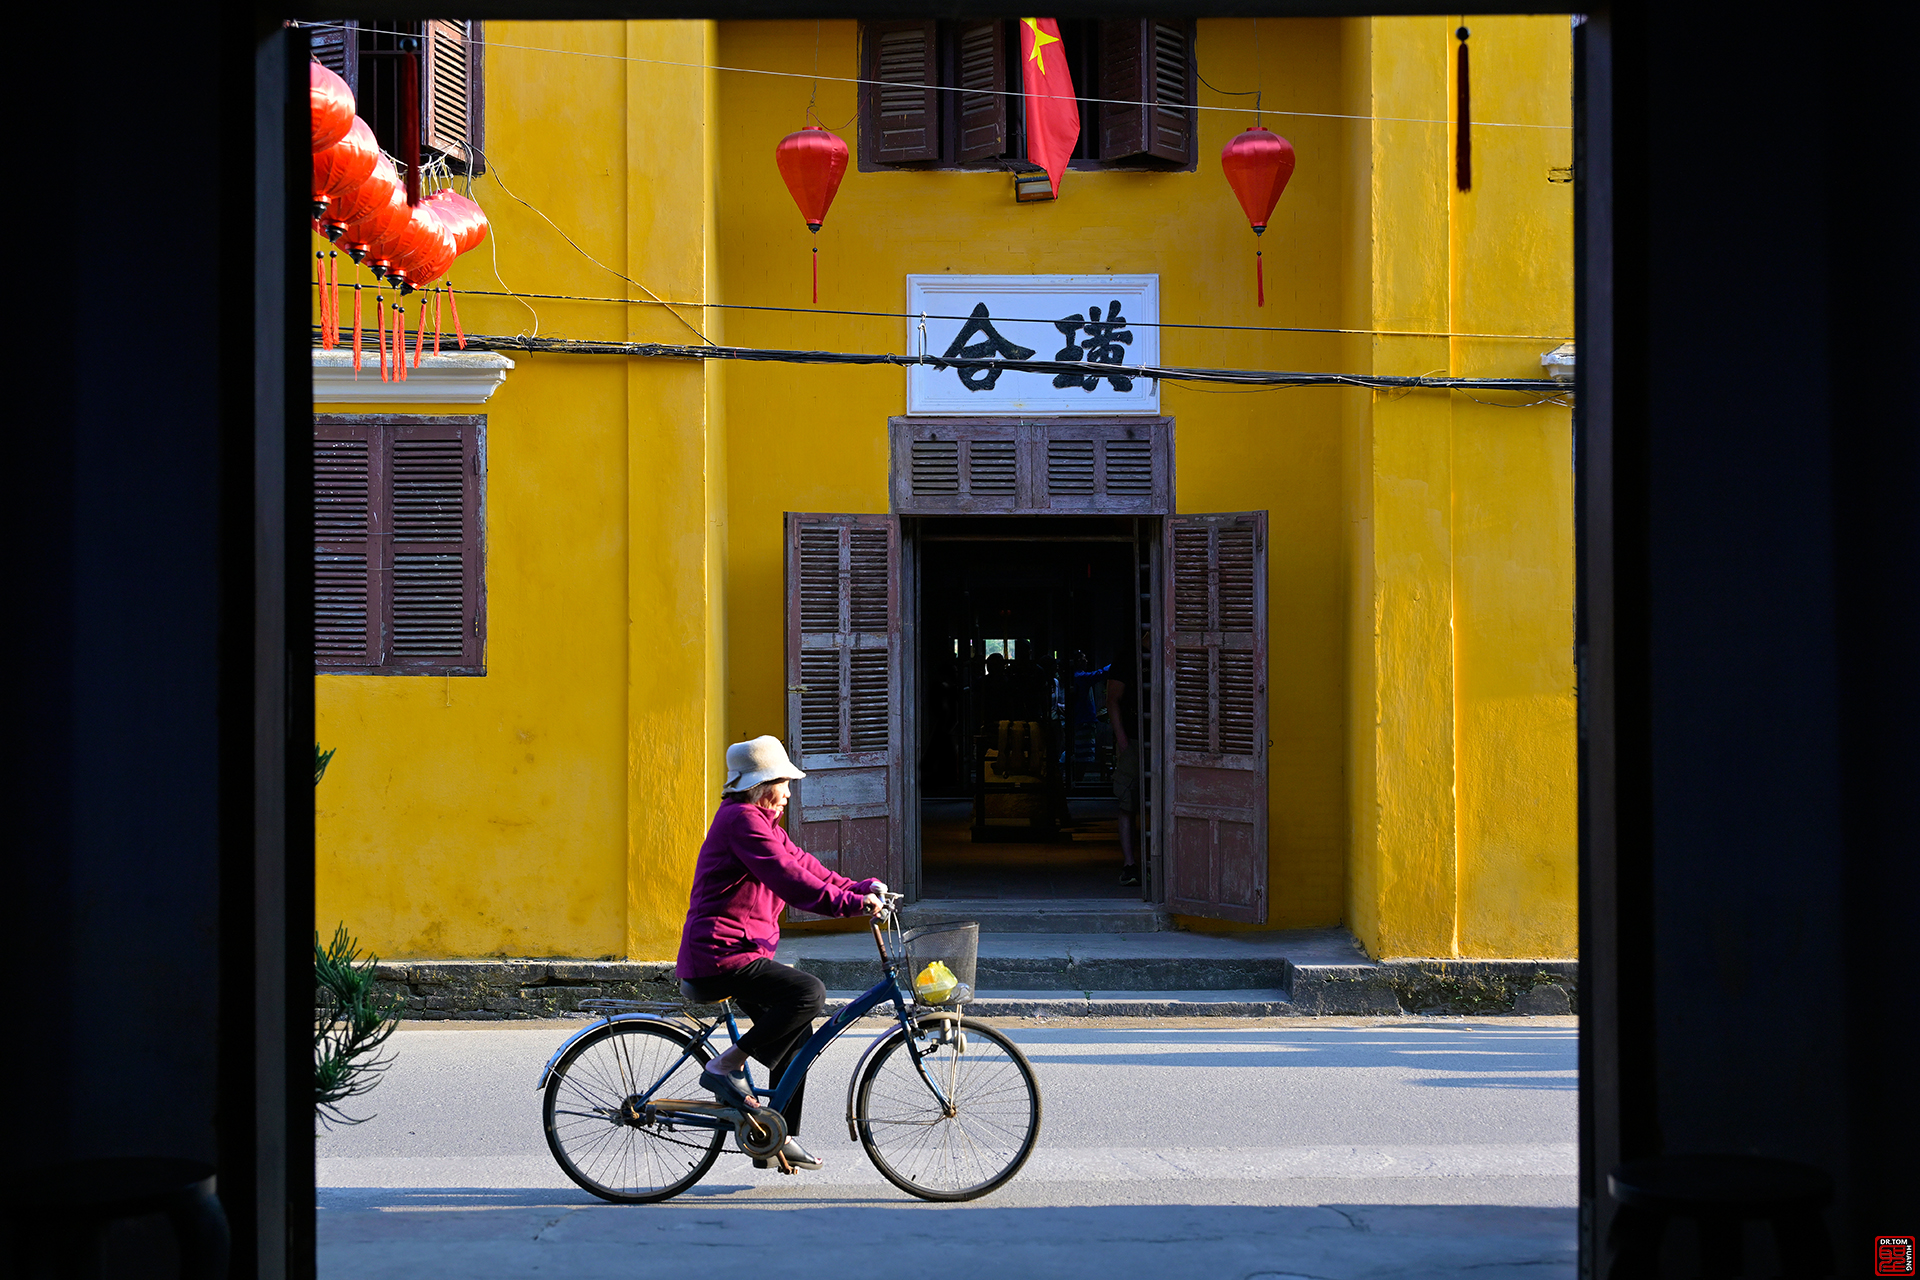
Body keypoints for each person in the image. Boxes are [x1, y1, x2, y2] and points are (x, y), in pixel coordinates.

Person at [675, 735, 887, 1173]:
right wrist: (850, 906)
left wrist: (860, 888)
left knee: (796, 1037)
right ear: (762, 784)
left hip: (740, 951)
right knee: (809, 993)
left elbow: (806, 867)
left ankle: (776, 1137)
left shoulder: (763, 824)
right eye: (784, 783)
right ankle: (725, 1065)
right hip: (720, 954)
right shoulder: (742, 821)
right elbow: (792, 883)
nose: (789, 793)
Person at [1106, 660, 1142, 887]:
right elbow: (1112, 700)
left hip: (1166, 740)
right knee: (1128, 801)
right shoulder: (1127, 659)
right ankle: (1130, 864)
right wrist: (1123, 741)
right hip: (1133, 740)